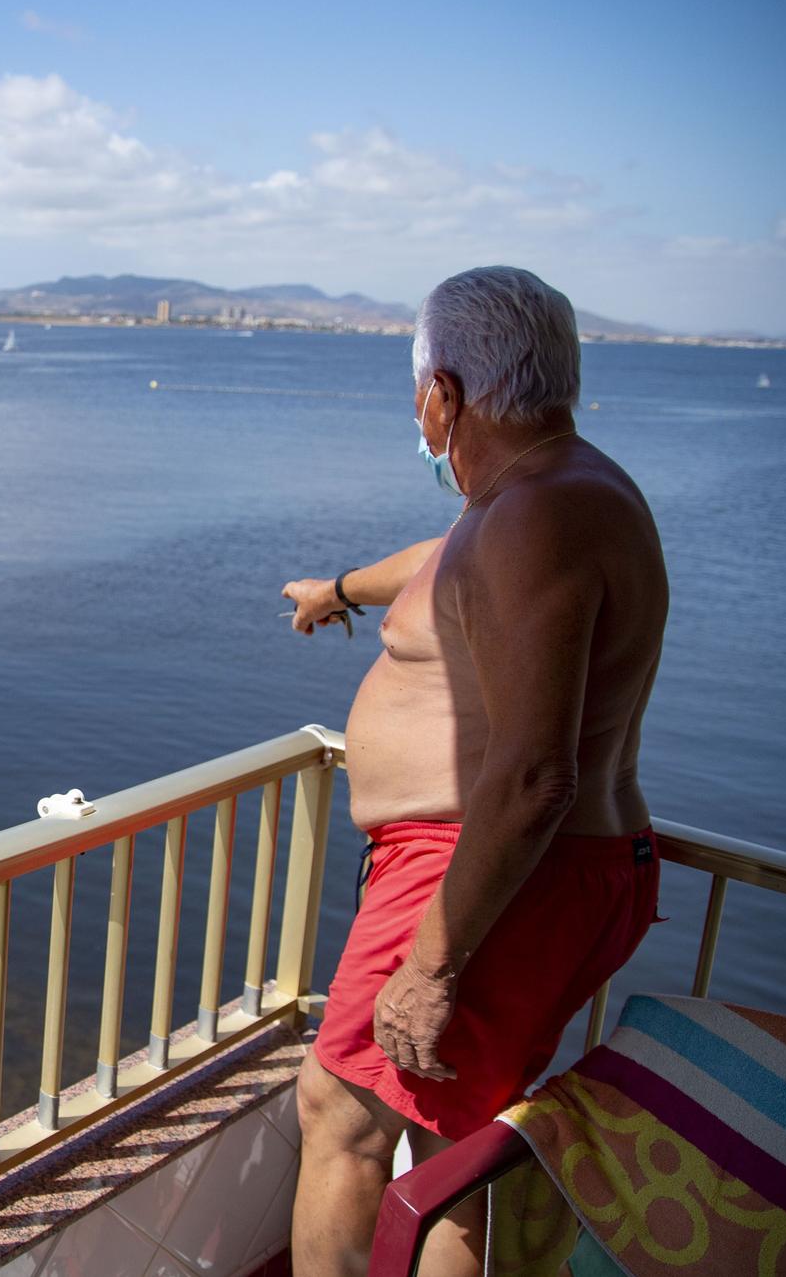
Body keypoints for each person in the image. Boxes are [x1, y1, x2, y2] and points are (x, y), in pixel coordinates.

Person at [280, 267, 667, 1277]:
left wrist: (431, 964)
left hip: (483, 865)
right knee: (454, 1135)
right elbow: (437, 559)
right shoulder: (538, 497)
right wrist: (333, 588)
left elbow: (534, 773)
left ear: (438, 395)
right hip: (521, 865)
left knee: (344, 1115)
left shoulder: (536, 515)